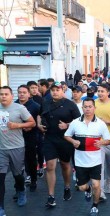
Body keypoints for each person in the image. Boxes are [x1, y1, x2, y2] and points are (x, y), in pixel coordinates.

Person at [64, 98, 110, 216]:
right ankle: (88, 190)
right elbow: (66, 135)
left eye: (90, 106)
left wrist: (102, 143)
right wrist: (73, 141)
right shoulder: (75, 122)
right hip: (80, 161)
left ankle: (95, 206)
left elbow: (108, 140)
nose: (88, 109)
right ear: (82, 108)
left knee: (96, 184)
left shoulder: (101, 124)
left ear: (94, 108)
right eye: (85, 107)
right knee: (81, 187)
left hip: (96, 160)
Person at [38, 81, 81, 207]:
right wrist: (39, 125)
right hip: (49, 138)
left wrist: (67, 125)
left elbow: (78, 121)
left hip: (65, 139)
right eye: (53, 90)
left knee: (64, 164)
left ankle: (67, 186)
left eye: (58, 90)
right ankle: (51, 196)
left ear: (63, 91)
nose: (55, 92)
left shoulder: (70, 105)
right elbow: (40, 115)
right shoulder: (45, 103)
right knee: (50, 166)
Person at [0, 86, 36, 215]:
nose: (3, 96)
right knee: (1, 178)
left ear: (11, 96)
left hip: (16, 147)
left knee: (18, 176)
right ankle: (1, 208)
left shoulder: (19, 108)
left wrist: (17, 125)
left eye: (6, 94)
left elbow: (32, 123)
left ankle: (21, 190)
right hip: (1, 149)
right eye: (1, 94)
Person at [15, 85, 41, 192]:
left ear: (29, 94)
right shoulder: (14, 105)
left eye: (24, 92)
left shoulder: (35, 106)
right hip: (16, 136)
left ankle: (33, 179)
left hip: (31, 136)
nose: (21, 94)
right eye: (19, 92)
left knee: (31, 159)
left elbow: (39, 121)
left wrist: (31, 126)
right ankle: (18, 186)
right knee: (17, 161)